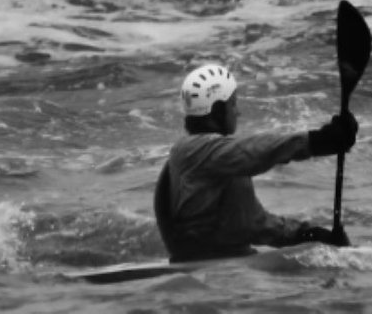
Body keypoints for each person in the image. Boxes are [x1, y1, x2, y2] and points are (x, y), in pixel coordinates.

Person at [153, 62, 359, 261]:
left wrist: (307, 235)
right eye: (233, 104)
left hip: (230, 264)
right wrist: (317, 141)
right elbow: (257, 152)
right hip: (209, 270)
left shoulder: (217, 161)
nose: (238, 112)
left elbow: (252, 224)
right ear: (216, 110)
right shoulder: (194, 151)